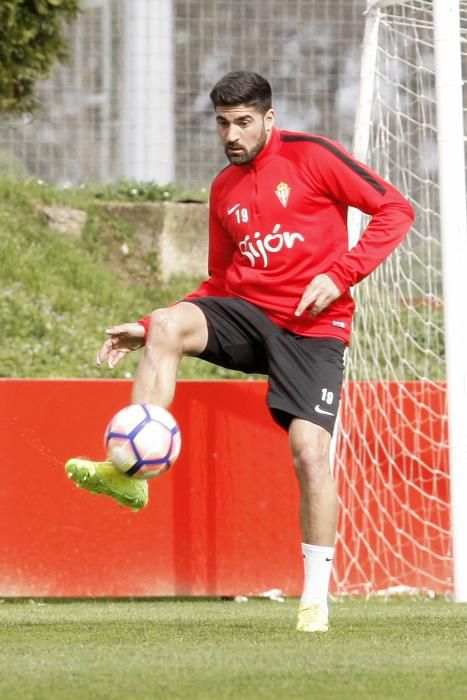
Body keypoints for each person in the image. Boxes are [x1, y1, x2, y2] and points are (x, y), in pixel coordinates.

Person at [66, 71, 414, 633]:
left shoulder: (314, 156)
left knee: (308, 453)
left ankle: (315, 600)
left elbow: (396, 209)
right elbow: (220, 281)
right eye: (223, 123)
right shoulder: (224, 188)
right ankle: (130, 473)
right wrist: (146, 324)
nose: (232, 134)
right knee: (165, 325)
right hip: (251, 315)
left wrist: (341, 273)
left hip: (315, 327)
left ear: (268, 119)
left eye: (244, 122)